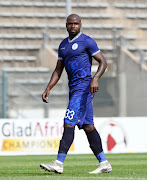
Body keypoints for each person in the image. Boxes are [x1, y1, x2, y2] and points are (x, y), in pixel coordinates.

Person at [40, 14, 112, 174]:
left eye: (76, 24)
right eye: (70, 24)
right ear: (66, 25)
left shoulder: (87, 41)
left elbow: (103, 61)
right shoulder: (63, 45)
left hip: (84, 88)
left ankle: (58, 163)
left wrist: (95, 78)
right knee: (88, 126)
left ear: (80, 24)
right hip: (73, 89)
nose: (73, 26)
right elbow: (58, 69)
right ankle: (104, 163)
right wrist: (48, 88)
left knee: (68, 122)